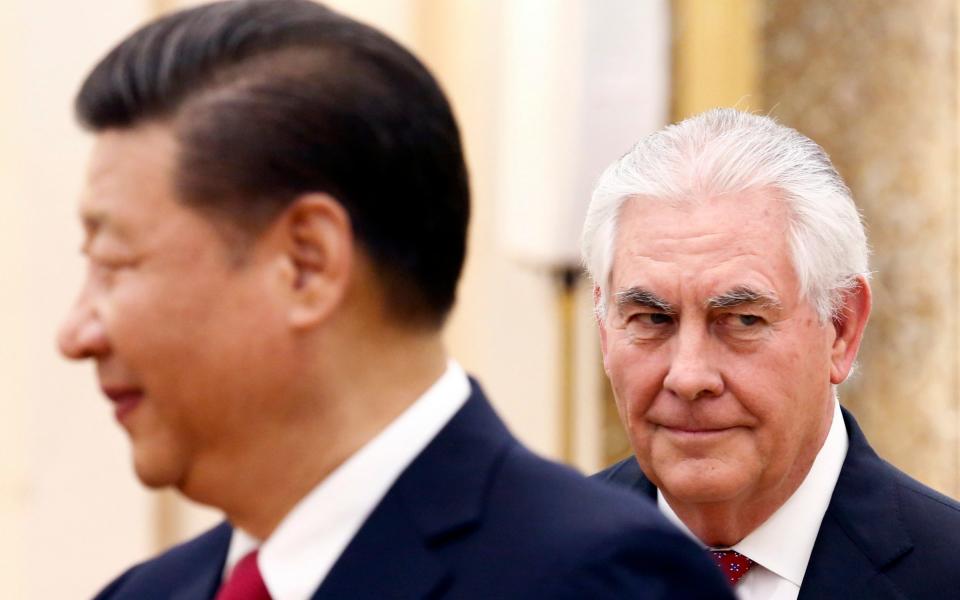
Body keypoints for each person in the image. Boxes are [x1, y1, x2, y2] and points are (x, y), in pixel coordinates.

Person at [58, 1, 734, 599]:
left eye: (115, 263)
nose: (76, 333)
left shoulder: (598, 579)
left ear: (307, 264)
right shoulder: (149, 591)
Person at [583, 108, 960, 599]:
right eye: (654, 320)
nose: (689, 376)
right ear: (605, 330)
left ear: (841, 327)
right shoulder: (519, 567)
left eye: (742, 321)